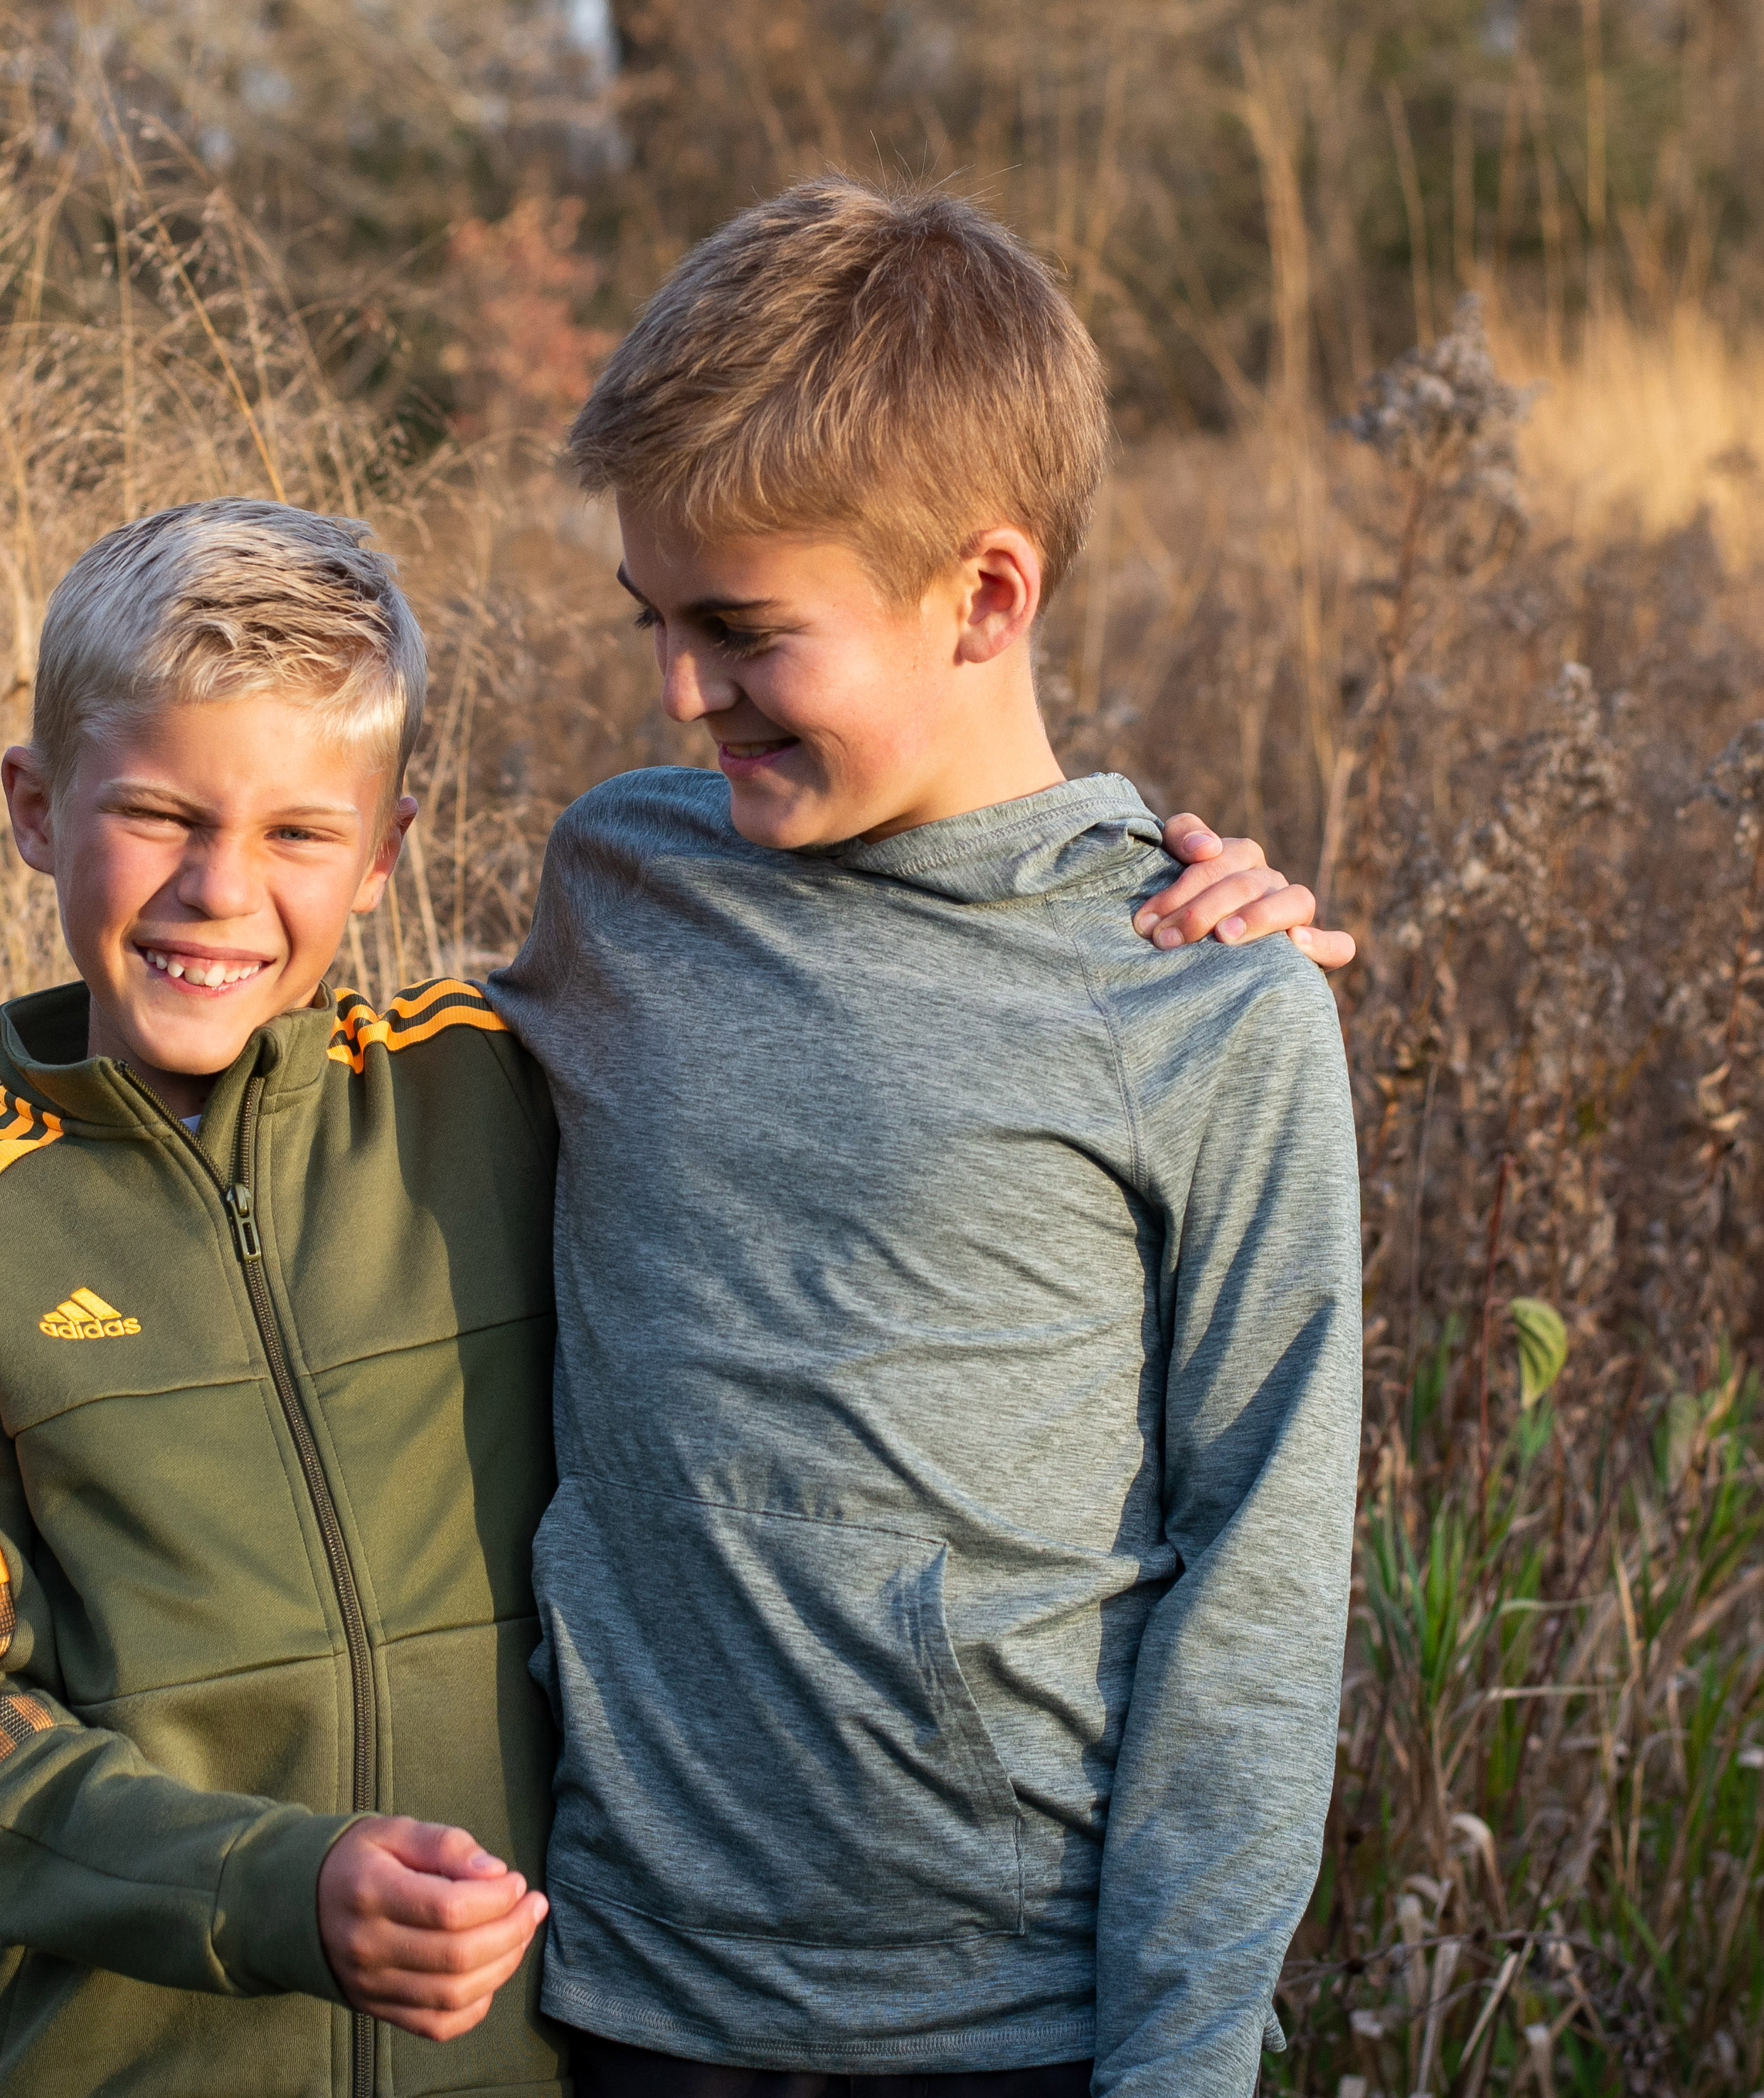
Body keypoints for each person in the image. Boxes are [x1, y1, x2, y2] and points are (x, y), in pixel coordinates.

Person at [0, 499, 1339, 2098]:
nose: (218, 888)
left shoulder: (485, 1086)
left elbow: (837, 1027)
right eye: (155, 813)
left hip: (533, 2053)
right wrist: (273, 1889)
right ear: (34, 806)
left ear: (385, 852)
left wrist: (1166, 934)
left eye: (298, 834)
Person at [486, 177, 1365, 2098]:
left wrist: (1181, 2067)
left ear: (983, 595)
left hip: (1003, 2026)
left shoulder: (1203, 999)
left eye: (742, 630)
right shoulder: (621, 883)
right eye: (652, 619)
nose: (677, 690)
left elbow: (1263, 1584)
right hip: (625, 1994)